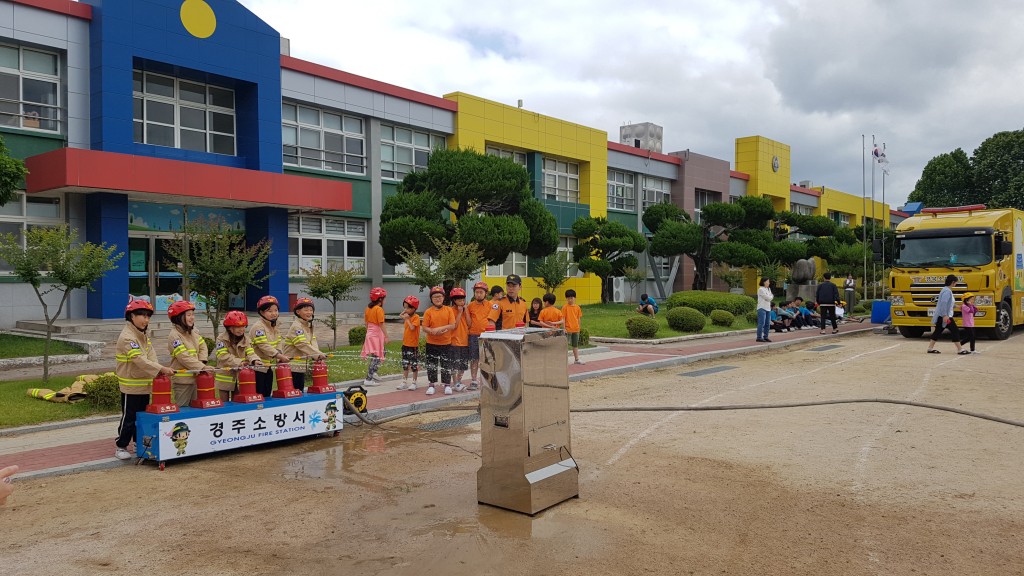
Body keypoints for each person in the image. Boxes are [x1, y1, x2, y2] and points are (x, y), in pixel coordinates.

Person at [114, 299, 175, 460]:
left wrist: (158, 369)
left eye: (148, 316)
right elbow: (139, 360)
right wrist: (160, 369)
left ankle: (137, 442)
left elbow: (151, 356)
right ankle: (121, 446)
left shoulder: (142, 335)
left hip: (144, 384)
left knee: (141, 417)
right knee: (129, 417)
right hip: (131, 385)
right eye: (141, 315)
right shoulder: (128, 337)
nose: (145, 319)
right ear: (131, 316)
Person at [166, 300, 213, 406]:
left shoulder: (193, 332)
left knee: (196, 409)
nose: (192, 318)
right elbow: (183, 357)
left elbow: (203, 347)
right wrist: (201, 367)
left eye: (193, 314)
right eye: (188, 315)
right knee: (183, 410)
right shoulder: (174, 336)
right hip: (183, 381)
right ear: (178, 317)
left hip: (196, 378)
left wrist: (202, 362)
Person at [214, 311, 263, 402]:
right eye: (237, 327)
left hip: (239, 376)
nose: (241, 330)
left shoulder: (246, 339)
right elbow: (223, 355)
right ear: (229, 328)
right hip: (225, 377)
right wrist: (239, 362)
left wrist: (255, 360)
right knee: (224, 403)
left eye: (243, 326)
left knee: (237, 401)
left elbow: (250, 352)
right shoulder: (221, 339)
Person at [249, 295, 292, 397]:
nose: (274, 313)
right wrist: (279, 356)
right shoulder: (258, 327)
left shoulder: (275, 325)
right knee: (259, 394)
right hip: (258, 367)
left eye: (276, 310)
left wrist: (279, 353)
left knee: (267, 393)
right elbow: (263, 345)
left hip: (268, 366)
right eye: (270, 311)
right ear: (262, 312)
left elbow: (278, 341)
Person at [282, 297, 327, 391]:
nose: (309, 312)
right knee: (294, 392)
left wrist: (318, 355)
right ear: (298, 312)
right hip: (292, 366)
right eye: (306, 310)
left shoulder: (308, 325)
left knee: (300, 391)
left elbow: (313, 341)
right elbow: (302, 344)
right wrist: (317, 355)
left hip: (300, 366)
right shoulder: (297, 326)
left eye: (311, 310)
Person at [422, 286, 456, 395]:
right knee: (432, 364)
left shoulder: (448, 310)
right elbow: (424, 327)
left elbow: (452, 325)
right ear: (431, 299)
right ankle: (431, 384)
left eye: (440, 296)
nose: (438, 299)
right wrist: (432, 331)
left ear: (443, 298)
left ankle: (447, 385)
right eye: (435, 297)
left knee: (446, 364)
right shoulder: (428, 312)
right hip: (431, 343)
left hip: (446, 343)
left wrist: (439, 329)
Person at [926, 274, 964, 355]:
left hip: (943, 316)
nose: (956, 284)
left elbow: (948, 304)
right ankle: (960, 349)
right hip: (946, 316)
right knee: (955, 331)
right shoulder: (947, 291)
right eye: (956, 282)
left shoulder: (945, 290)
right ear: (953, 282)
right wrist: (945, 315)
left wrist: (957, 306)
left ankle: (930, 348)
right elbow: (944, 303)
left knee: (938, 331)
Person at [361, 287, 388, 387]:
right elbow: (381, 324)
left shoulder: (368, 308)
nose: (385, 300)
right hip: (376, 334)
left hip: (371, 333)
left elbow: (366, 322)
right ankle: (368, 378)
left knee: (382, 352)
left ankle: (374, 372)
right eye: (384, 298)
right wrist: (386, 336)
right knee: (377, 356)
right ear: (380, 299)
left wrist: (369, 333)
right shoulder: (379, 309)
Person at [465, 282, 490, 390]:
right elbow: (468, 322)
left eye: (481, 292)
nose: (479, 294)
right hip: (473, 335)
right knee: (474, 358)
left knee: (487, 359)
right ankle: (474, 380)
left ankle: (487, 380)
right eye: (476, 292)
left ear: (486, 293)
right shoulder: (470, 306)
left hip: (486, 335)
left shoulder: (490, 305)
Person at [397, 295, 421, 390]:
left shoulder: (416, 317)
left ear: (414, 308)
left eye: (408, 307)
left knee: (414, 365)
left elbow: (412, 328)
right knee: (405, 364)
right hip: (405, 344)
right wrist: (405, 312)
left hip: (413, 346)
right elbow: (400, 315)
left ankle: (414, 382)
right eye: (404, 307)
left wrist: (407, 319)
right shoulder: (407, 316)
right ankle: (404, 381)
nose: (406, 310)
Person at [448, 287, 470, 391]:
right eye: (459, 300)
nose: (462, 302)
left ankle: (459, 381)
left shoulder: (466, 309)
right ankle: (455, 382)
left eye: (463, 300)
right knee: (455, 364)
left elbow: (470, 324)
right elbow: (455, 325)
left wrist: (465, 312)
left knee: (463, 364)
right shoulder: (451, 310)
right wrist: (460, 312)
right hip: (455, 341)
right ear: (454, 301)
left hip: (464, 341)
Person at [562, 288, 584, 364]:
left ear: (575, 298)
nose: (570, 300)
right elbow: (563, 318)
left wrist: (579, 327)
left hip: (576, 329)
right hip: (568, 329)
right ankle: (564, 359)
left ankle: (576, 359)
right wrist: (564, 328)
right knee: (566, 345)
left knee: (575, 345)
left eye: (571, 298)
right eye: (568, 298)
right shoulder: (565, 307)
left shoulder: (577, 307)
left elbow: (578, 318)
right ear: (566, 299)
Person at [756, 277, 772, 343]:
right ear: (764, 282)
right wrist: (770, 297)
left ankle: (766, 336)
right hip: (762, 307)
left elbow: (771, 297)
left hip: (768, 308)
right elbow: (768, 298)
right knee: (761, 323)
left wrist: (770, 297)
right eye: (768, 281)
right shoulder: (760, 289)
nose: (769, 283)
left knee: (767, 323)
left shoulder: (768, 289)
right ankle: (759, 337)